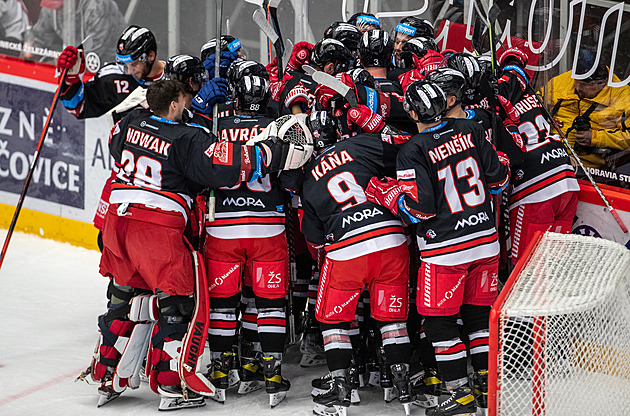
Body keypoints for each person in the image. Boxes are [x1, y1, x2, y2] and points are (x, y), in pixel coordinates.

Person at [93, 79, 313, 410]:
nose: (187, 105)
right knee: (178, 305)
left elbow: (116, 147)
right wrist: (276, 150)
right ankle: (172, 386)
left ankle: (105, 374)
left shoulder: (130, 121)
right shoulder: (188, 138)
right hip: (155, 227)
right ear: (173, 105)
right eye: (184, 101)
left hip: (117, 221)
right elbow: (225, 168)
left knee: (123, 295)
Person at [365, 80, 510, 416]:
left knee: (439, 323)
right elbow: (499, 180)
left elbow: (421, 210)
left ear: (413, 112)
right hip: (485, 242)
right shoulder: (471, 128)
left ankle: (459, 394)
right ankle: (487, 390)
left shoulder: (412, 150)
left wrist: (388, 196)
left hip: (445, 250)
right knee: (476, 317)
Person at [301, 111, 414, 416]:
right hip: (391, 239)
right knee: (392, 320)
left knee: (333, 322)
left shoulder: (307, 178)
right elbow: (409, 149)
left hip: (346, 247)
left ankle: (340, 390)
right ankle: (402, 385)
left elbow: (314, 239)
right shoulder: (362, 143)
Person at [203, 72, 299, 407]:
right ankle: (271, 371)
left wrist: (204, 106)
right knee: (270, 304)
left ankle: (219, 370)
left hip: (222, 228)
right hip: (267, 228)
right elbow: (291, 180)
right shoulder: (278, 124)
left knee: (223, 305)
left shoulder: (217, 122)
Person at [496, 46, 580, 266]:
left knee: (526, 266)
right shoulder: (535, 95)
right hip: (566, 177)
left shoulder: (497, 98)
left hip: (536, 187)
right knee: (555, 263)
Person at [539, 48, 630, 173]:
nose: (578, 88)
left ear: (601, 83)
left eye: (584, 85)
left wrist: (596, 138)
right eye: (577, 81)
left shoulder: (623, 98)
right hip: (550, 159)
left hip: (593, 171)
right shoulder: (561, 83)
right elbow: (532, 105)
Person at [28, 0, 125, 65]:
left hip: (110, 62)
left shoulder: (98, 7)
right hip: (75, 61)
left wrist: (60, 61)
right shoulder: (51, 7)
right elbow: (39, 38)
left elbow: (94, 50)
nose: (56, 9)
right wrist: (28, 55)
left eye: (61, 6)